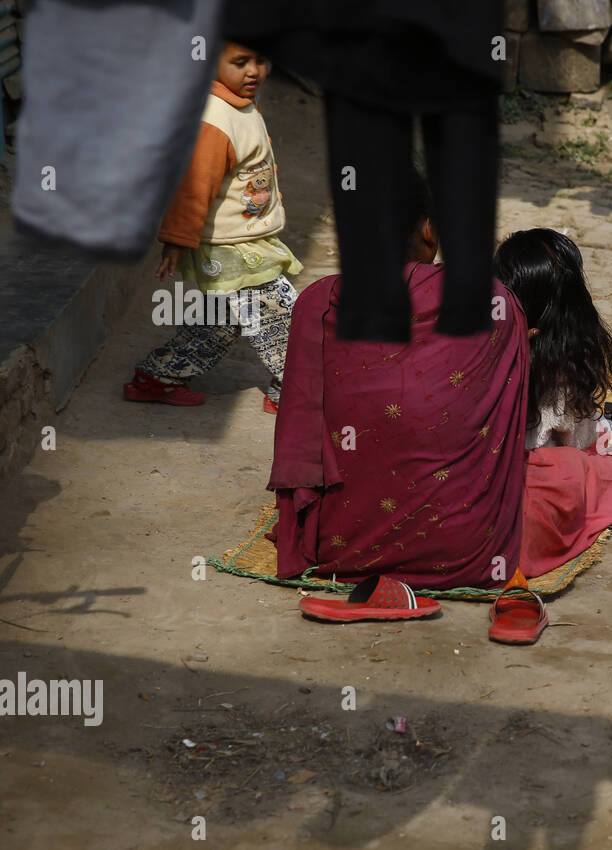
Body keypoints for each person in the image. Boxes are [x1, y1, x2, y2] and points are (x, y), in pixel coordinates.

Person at [267, 176, 529, 588]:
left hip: (337, 551)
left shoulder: (317, 302)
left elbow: (300, 431)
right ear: (428, 229)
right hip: (467, 551)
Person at [494, 229, 612, 577]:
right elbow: (578, 455)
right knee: (570, 471)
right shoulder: (556, 379)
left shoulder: (472, 346)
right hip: (515, 506)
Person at [124, 41, 302, 412]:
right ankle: (297, 392)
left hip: (245, 239)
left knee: (220, 323)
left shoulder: (241, 105)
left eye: (261, 60)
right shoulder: (215, 119)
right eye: (240, 62)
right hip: (232, 247)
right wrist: (177, 239)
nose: (253, 71)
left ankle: (159, 376)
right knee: (279, 312)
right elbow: (194, 187)